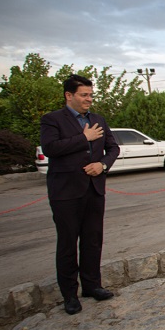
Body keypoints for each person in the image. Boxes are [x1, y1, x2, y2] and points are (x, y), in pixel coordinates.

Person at [40, 74, 120, 315]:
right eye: (84, 95)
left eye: (91, 95)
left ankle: (92, 286)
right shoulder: (52, 120)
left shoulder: (98, 119)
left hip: (94, 188)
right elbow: (50, 148)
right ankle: (69, 295)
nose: (89, 100)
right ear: (69, 95)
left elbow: (113, 147)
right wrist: (83, 138)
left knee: (93, 239)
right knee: (67, 244)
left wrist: (103, 165)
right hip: (65, 192)